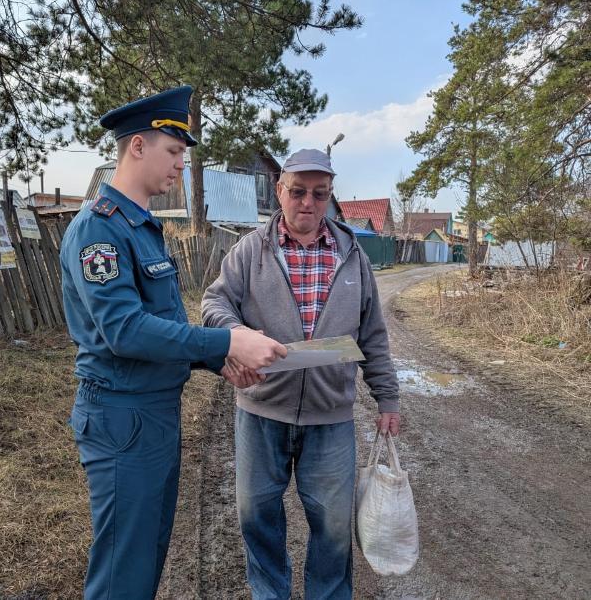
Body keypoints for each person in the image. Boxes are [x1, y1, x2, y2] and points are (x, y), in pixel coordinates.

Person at [60, 85, 287, 600]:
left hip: (155, 413)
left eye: (183, 155)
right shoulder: (100, 231)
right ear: (136, 147)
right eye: (174, 152)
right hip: (122, 416)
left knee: (147, 559)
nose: (181, 165)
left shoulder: (144, 229)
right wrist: (226, 343)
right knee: (124, 571)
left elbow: (162, 326)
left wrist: (219, 362)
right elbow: (124, 330)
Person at [201, 148, 401, 599]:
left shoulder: (352, 254)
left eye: (319, 193)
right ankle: (269, 593)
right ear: (280, 192)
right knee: (255, 514)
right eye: (297, 192)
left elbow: (373, 334)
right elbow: (214, 303)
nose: (308, 203)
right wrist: (237, 337)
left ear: (329, 196)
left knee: (331, 526)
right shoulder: (251, 249)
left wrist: (387, 399)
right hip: (261, 410)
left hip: (330, 417)